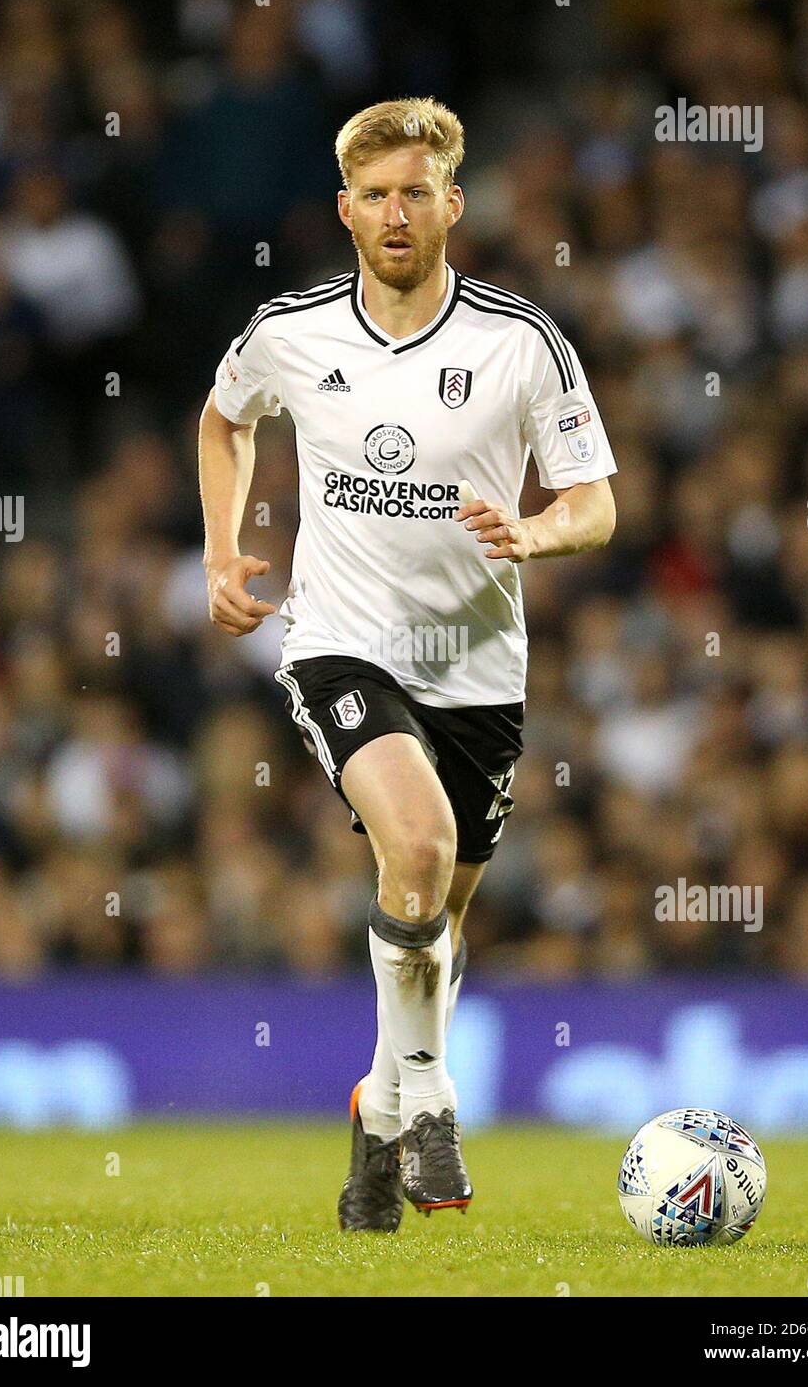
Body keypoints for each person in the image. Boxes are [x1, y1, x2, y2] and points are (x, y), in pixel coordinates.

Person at [198, 97, 617, 1230]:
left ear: (452, 204)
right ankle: (429, 1098)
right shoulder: (290, 330)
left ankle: (375, 1112)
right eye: (375, 194)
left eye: (415, 192)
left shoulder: (518, 342)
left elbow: (596, 502)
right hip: (342, 641)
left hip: (479, 669)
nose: (395, 212)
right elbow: (223, 417)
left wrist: (535, 532)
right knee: (418, 845)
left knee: (433, 907)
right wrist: (223, 546)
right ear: (345, 209)